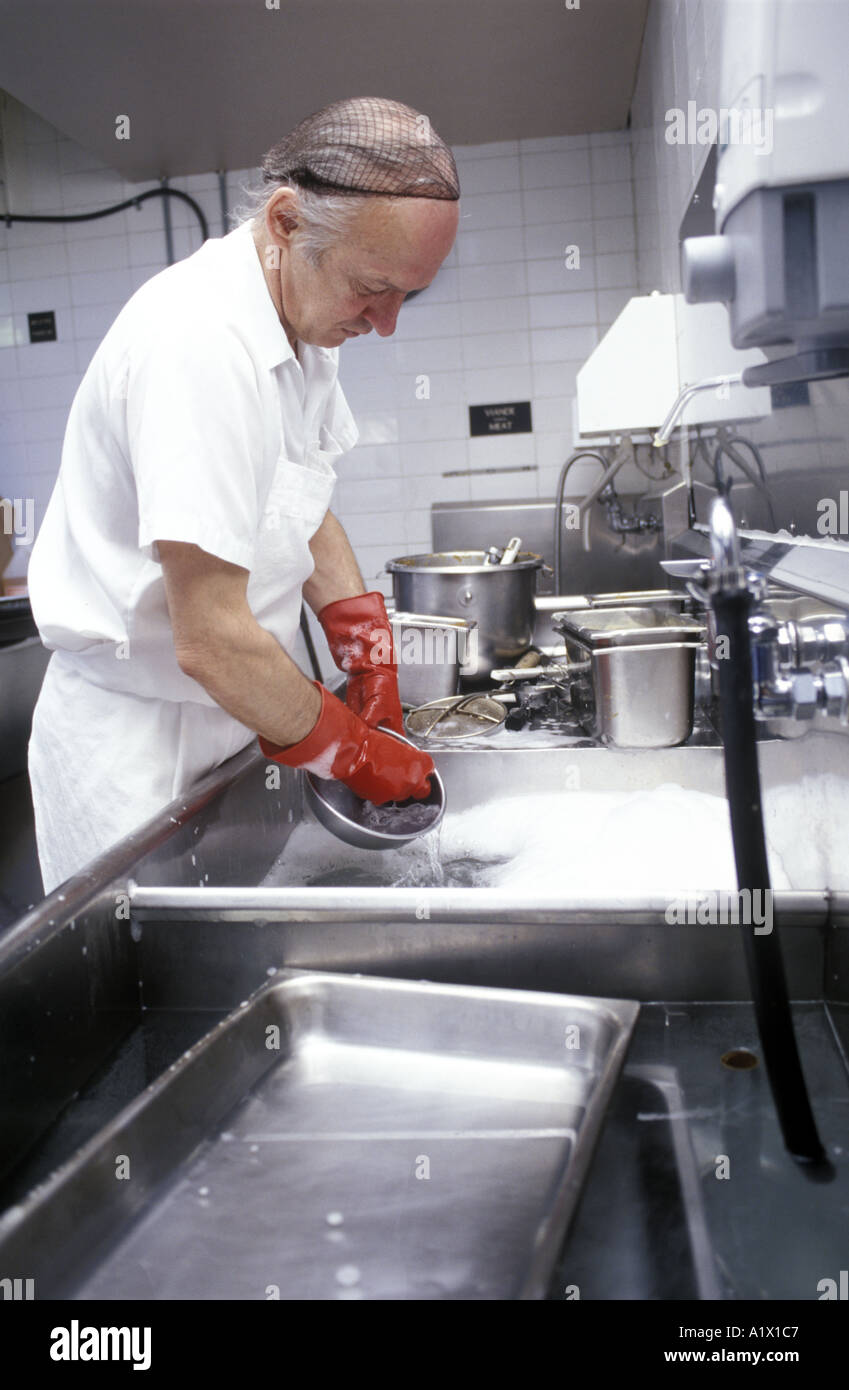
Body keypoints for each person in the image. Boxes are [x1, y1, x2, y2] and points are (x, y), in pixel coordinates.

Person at [27, 96, 460, 894]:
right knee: (160, 1002)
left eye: (408, 295)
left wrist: (366, 654)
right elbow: (212, 641)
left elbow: (303, 499)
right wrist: (351, 749)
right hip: (143, 750)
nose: (388, 324)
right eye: (374, 289)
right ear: (289, 222)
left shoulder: (301, 323)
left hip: (240, 719)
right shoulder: (199, 344)